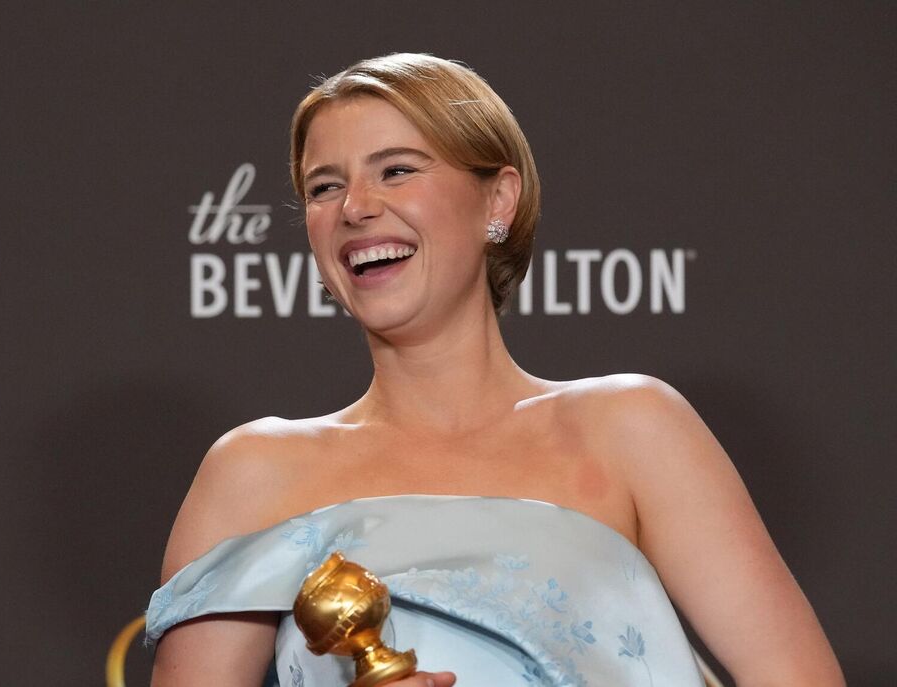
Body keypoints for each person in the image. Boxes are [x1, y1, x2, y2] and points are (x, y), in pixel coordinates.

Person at [146, 53, 844, 686]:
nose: (355, 207)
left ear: (498, 201)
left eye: (397, 169)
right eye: (325, 187)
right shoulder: (253, 473)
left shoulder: (634, 428)